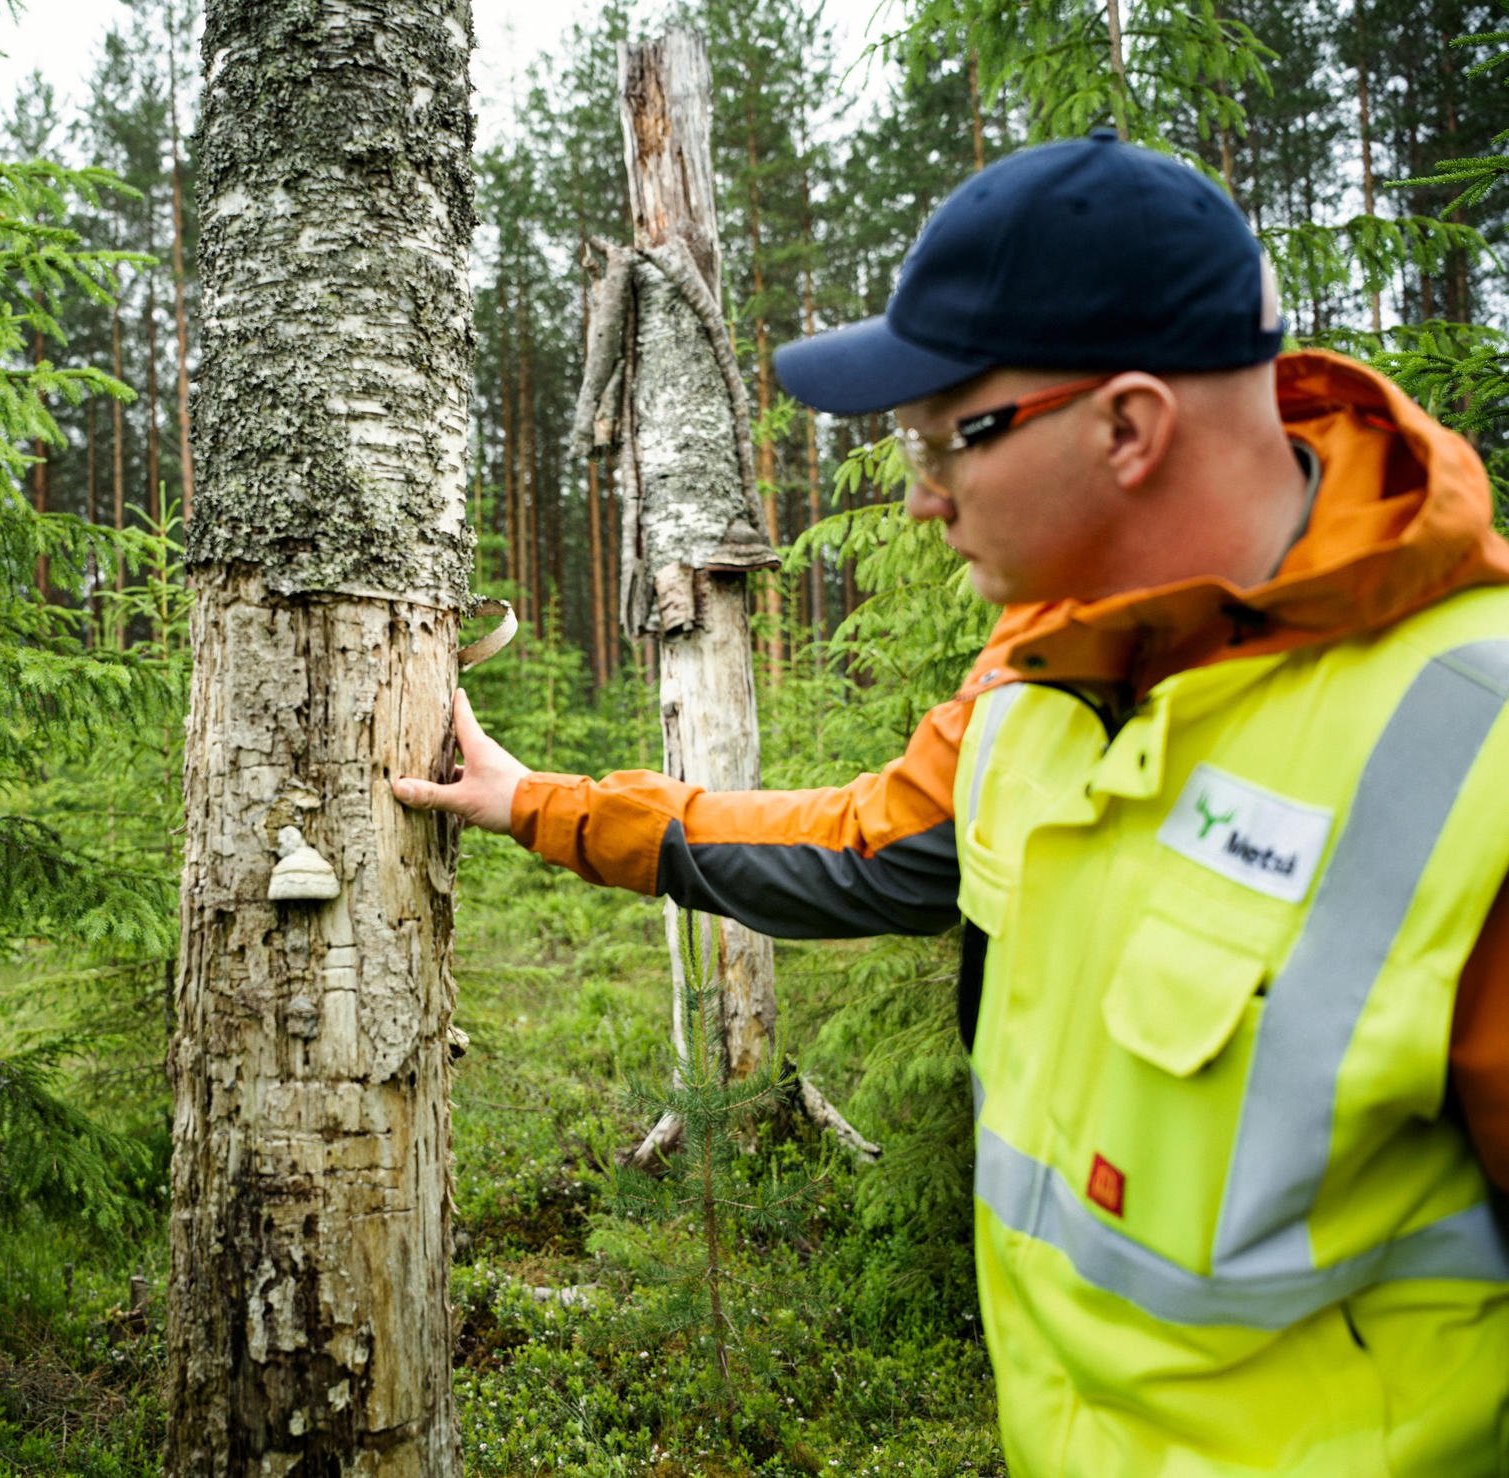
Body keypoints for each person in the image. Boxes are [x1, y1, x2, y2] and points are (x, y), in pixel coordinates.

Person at [395, 128, 1509, 1474]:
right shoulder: (1040, 682)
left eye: (945, 442)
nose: (922, 500)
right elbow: (857, 847)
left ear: (1129, 427)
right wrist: (540, 804)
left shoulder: (1474, 752)